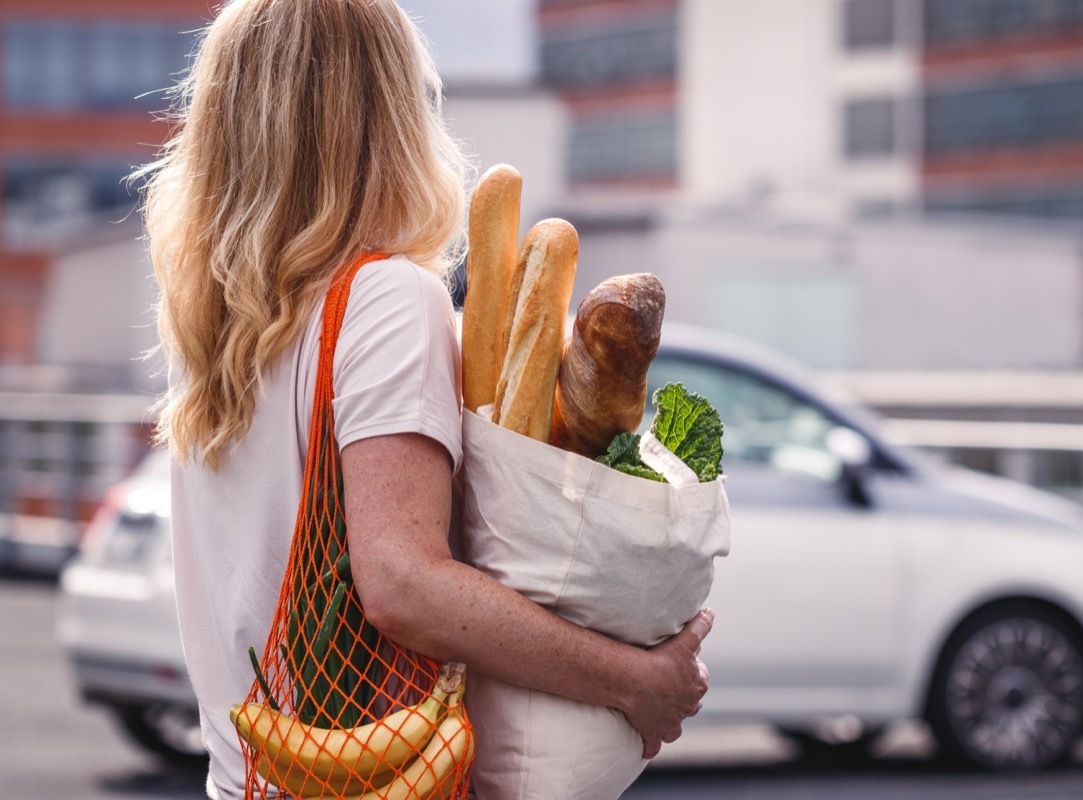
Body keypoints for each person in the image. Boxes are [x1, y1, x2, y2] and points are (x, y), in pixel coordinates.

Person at [138, 1, 713, 797]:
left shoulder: (214, 323)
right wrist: (632, 679)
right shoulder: (384, 298)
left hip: (252, 779)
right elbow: (402, 584)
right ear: (390, 114)